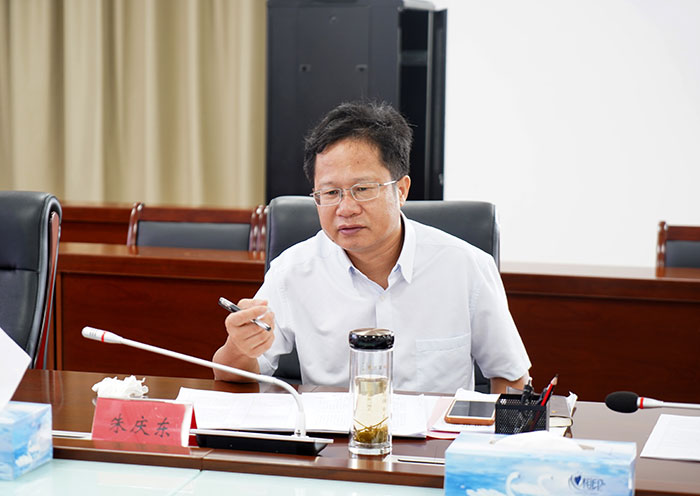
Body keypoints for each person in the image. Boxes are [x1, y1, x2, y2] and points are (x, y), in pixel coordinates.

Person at [213, 101, 530, 394]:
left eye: (362, 189)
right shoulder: (292, 270)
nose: (346, 208)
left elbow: (511, 377)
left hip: (434, 437)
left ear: (401, 190)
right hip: (332, 436)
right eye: (330, 193)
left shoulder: (465, 266)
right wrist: (240, 346)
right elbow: (231, 374)